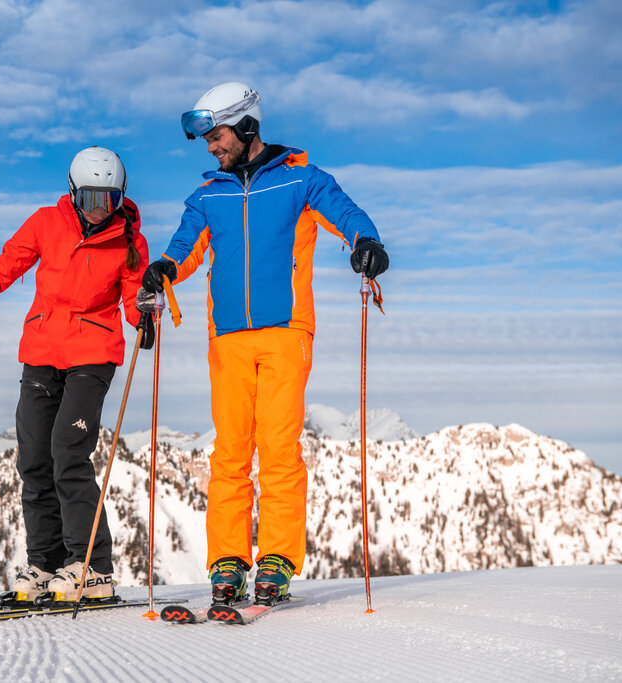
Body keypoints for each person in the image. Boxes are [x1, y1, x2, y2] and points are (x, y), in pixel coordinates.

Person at [141, 82, 389, 604]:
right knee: (230, 452)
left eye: (217, 134)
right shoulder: (208, 194)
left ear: (247, 125)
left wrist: (366, 241)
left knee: (278, 449)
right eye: (206, 138)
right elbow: (184, 246)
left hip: (285, 331)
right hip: (227, 337)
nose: (211, 146)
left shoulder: (301, 180)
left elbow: (343, 212)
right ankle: (228, 560)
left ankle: (276, 558)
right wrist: (164, 268)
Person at [0, 146, 151, 604]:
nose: (98, 210)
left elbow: (132, 299)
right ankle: (45, 564)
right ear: (73, 193)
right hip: (42, 352)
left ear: (121, 197)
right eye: (89, 199)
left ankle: (91, 568)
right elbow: (3, 270)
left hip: (92, 355)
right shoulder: (46, 223)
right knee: (34, 461)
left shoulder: (129, 241)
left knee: (68, 453)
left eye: (108, 200)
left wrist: (145, 310)